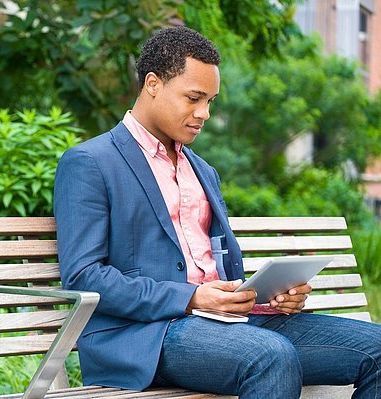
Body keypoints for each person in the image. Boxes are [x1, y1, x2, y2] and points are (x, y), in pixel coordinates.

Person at [53, 26, 381, 398]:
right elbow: (84, 276)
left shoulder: (203, 171)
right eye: (194, 98)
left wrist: (265, 297)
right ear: (153, 84)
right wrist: (190, 298)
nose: (204, 113)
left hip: (232, 324)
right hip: (146, 335)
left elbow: (220, 271)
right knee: (270, 356)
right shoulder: (90, 162)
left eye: (210, 101)